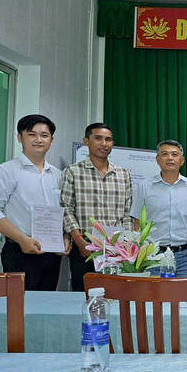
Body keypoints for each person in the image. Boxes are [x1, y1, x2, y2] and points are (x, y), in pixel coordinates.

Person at [0, 114, 69, 290]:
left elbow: (66, 211)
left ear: (51, 140)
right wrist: (22, 239)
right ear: (20, 137)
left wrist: (65, 238)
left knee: (46, 306)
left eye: (44, 135)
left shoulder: (60, 175)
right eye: (31, 134)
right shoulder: (5, 171)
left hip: (52, 254)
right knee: (19, 308)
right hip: (19, 252)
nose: (38, 139)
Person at [60, 123, 132, 291]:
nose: (104, 144)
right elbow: (66, 209)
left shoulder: (123, 174)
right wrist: (79, 241)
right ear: (86, 141)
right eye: (98, 138)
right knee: (83, 296)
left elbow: (127, 214)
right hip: (83, 249)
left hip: (116, 252)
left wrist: (126, 245)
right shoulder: (72, 172)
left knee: (116, 297)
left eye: (108, 139)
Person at [131, 140, 187, 277]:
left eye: (174, 154)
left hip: (185, 256)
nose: (170, 158)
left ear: (182, 160)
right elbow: (137, 223)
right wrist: (139, 253)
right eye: (165, 154)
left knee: (182, 296)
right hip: (152, 255)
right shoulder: (144, 186)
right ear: (158, 160)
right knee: (154, 297)